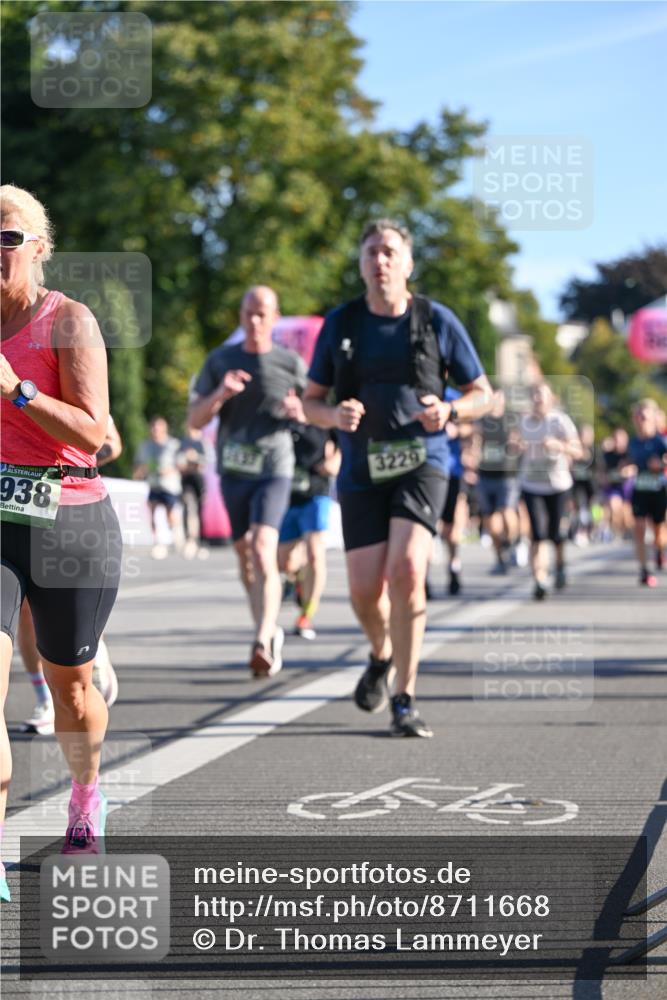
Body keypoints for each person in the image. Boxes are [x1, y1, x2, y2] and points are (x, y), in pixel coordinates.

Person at [303, 219, 493, 737]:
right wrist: (332, 415)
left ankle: (405, 698)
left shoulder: (436, 320)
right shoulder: (341, 323)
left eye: (389, 252)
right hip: (361, 468)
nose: (380, 260)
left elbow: (483, 393)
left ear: (408, 264)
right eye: (371, 252)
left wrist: (450, 411)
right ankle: (381, 653)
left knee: (407, 570)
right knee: (365, 592)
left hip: (422, 461)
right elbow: (310, 401)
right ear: (361, 265)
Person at [0, 184, 122, 899]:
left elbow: (94, 431)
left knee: (72, 692)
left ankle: (85, 797)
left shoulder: (67, 320)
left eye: (7, 237)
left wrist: (17, 390)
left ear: (38, 248)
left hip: (69, 520)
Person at [188, 286, 307, 677]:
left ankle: (261, 639)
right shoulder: (221, 360)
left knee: (261, 547)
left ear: (275, 318)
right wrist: (221, 394)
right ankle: (268, 628)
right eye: (248, 314)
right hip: (235, 470)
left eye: (262, 314)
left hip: (275, 467)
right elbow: (195, 420)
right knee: (245, 556)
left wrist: (300, 410)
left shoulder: (290, 362)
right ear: (240, 316)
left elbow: (316, 408)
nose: (254, 321)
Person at [19, 414, 122, 734]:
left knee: (67, 612)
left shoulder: (66, 391)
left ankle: (92, 652)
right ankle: (44, 698)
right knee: (25, 613)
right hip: (15, 509)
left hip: (69, 506)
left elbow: (111, 444)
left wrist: (68, 464)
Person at [518, 382, 583, 600]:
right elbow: (512, 446)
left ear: (551, 399)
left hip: (558, 484)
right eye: (534, 395)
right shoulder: (524, 422)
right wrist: (515, 446)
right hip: (532, 484)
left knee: (556, 534)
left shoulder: (561, 421)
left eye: (542, 395)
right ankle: (540, 579)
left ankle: (561, 566)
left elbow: (578, 451)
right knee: (538, 533)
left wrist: (559, 446)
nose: (538, 399)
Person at [278, 425, 340, 639]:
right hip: (286, 496)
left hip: (316, 492)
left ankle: (306, 615)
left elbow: (344, 439)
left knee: (315, 554)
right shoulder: (281, 416)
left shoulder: (322, 415)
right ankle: (298, 582)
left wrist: (335, 460)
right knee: (285, 563)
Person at [475, 388, 522, 574]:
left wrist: (515, 444)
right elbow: (474, 439)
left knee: (507, 512)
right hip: (485, 475)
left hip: (507, 475)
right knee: (491, 522)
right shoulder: (482, 421)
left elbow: (518, 440)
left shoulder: (510, 420)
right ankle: (500, 557)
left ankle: (513, 542)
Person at [624, 399, 666, 586]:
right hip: (640, 489)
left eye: (644, 417)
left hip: (658, 490)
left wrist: (660, 464)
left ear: (652, 418)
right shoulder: (633, 442)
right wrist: (626, 467)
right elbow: (627, 461)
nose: (641, 420)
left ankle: (659, 551)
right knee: (639, 528)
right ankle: (644, 570)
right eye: (638, 416)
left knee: (659, 532)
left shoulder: (660, 441)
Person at [133, 416, 184, 559]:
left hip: (169, 485)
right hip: (153, 483)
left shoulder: (173, 444)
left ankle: (176, 538)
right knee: (152, 512)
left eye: (159, 427)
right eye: (154, 427)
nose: (156, 430)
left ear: (165, 428)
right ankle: (157, 542)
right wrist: (139, 472)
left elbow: (181, 464)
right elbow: (139, 464)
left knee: (170, 514)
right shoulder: (145, 446)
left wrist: (169, 470)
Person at [177, 425, 211, 560]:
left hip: (199, 480)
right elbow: (177, 460)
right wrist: (184, 460)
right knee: (188, 508)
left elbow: (208, 460)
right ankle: (190, 540)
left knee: (200, 511)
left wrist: (196, 458)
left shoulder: (202, 443)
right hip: (187, 479)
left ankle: (201, 541)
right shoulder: (183, 442)